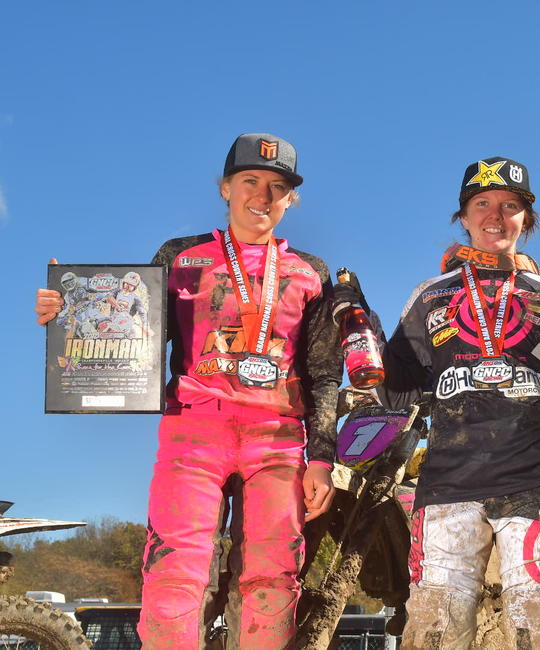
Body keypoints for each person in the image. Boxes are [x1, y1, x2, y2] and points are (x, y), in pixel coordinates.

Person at [35, 133, 343, 649]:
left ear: (291, 199)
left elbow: (325, 372)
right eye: (250, 181)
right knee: (174, 572)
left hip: (279, 441)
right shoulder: (180, 256)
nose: (262, 197)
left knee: (273, 577)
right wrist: (67, 315)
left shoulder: (310, 272)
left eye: (277, 187)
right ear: (225, 187)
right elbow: (135, 337)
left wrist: (323, 457)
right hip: (193, 433)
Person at [347, 157, 540, 649]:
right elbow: (397, 391)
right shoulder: (430, 297)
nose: (496, 215)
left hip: (536, 488)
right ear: (464, 217)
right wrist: (364, 333)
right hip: (447, 488)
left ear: (526, 221)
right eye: (482, 204)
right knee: (433, 629)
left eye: (510, 206)